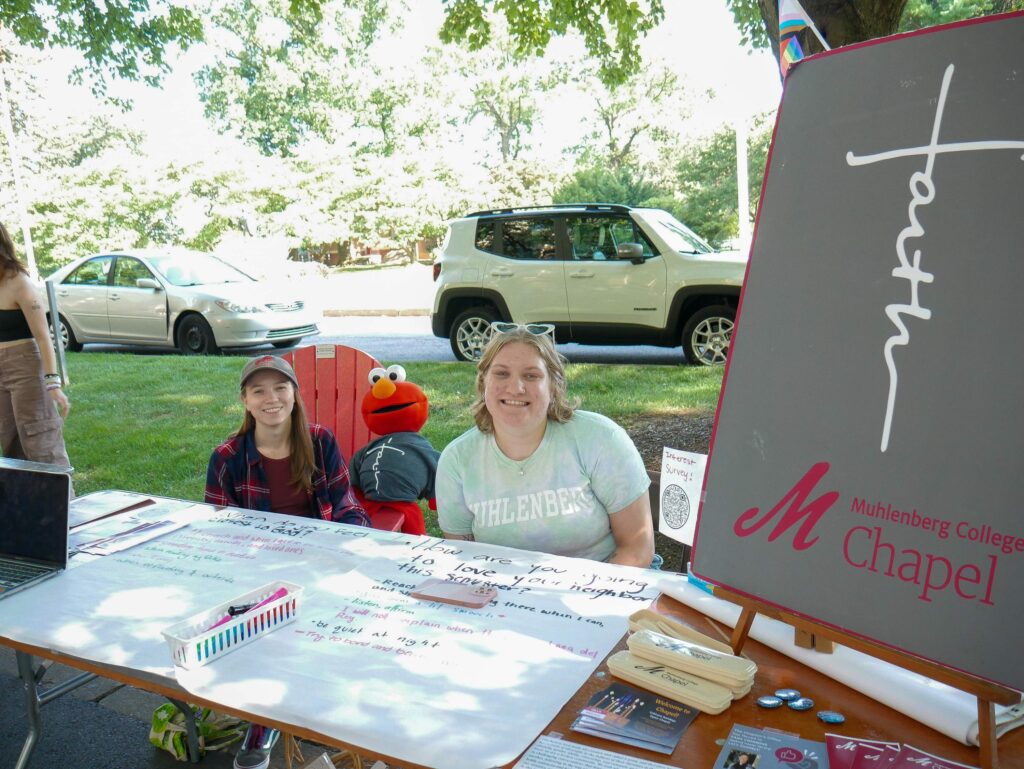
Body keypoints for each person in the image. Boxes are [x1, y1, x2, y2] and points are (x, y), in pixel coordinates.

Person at [205, 354, 369, 769]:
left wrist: (355, 541)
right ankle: (263, 724)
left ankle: (334, 708)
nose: (271, 398)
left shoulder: (320, 441)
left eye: (280, 388)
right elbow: (219, 534)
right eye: (258, 390)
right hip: (256, 572)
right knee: (263, 626)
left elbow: (345, 504)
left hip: (321, 560)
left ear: (295, 395)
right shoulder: (227, 458)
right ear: (244, 400)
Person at [436, 323, 655, 567]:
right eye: (501, 373)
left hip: (606, 588)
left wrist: (585, 600)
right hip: (502, 595)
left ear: (553, 385)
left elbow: (637, 547)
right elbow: (464, 558)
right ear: (483, 381)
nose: (515, 388)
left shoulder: (601, 439)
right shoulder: (457, 460)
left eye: (531, 375)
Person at [0, 222, 72, 470]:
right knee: (10, 443)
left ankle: (62, 505)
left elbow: (43, 336)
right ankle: (25, 506)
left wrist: (52, 383)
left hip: (25, 368)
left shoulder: (18, 282)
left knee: (39, 441)